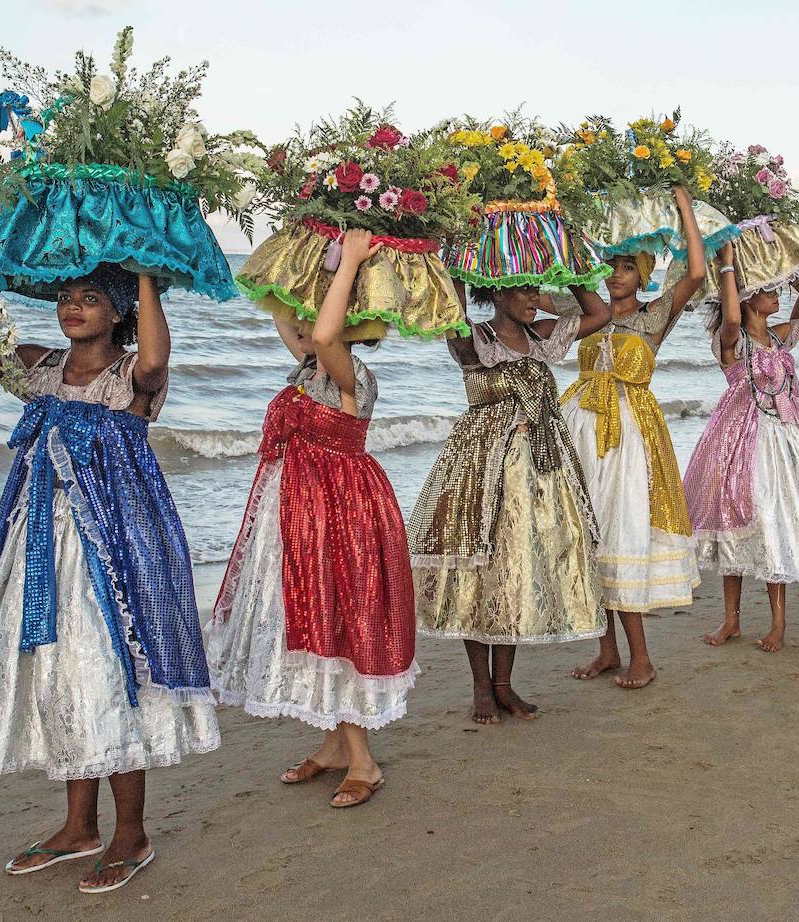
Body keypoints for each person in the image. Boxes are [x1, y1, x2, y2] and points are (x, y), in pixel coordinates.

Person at [0, 267, 219, 893]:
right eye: (65, 298)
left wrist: (144, 273)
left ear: (118, 314)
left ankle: (131, 833)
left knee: (114, 675)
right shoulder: (44, 366)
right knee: (65, 672)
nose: (71, 307)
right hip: (40, 543)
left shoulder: (131, 377)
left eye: (90, 300)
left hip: (115, 547)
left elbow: (154, 355)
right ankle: (78, 827)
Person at [205, 230, 417, 808]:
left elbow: (323, 332)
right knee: (315, 621)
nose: (302, 326)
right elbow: (283, 307)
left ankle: (364, 763)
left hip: (341, 511)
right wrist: (304, 244)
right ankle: (331, 747)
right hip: (303, 511)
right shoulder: (306, 369)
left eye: (318, 315)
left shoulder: (347, 374)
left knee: (339, 621)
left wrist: (349, 260)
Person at [409, 282, 610, 723]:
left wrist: (569, 270)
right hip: (481, 471)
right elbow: (448, 309)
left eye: (536, 292)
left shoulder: (542, 335)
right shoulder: (475, 339)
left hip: (539, 474)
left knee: (513, 574)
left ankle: (504, 686)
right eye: (525, 293)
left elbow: (600, 314)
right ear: (499, 294)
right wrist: (458, 266)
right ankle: (482, 687)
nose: (533, 300)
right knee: (478, 578)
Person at [562, 186, 705, 689]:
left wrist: (684, 207)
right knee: (589, 533)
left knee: (623, 530)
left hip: (629, 435)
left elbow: (694, 273)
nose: (615, 274)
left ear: (642, 273)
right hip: (580, 427)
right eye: (611, 265)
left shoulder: (653, 317)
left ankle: (641, 657)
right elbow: (562, 265)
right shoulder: (587, 315)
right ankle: (607, 651)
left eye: (625, 266)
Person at [685, 243, 799, 652]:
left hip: (783, 439)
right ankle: (730, 621)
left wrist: (797, 277)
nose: (778, 294)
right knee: (732, 529)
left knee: (776, 525)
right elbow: (732, 315)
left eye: (779, 288)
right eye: (770, 288)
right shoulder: (730, 338)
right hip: (739, 441)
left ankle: (778, 623)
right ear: (749, 294)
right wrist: (729, 263)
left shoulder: (779, 335)